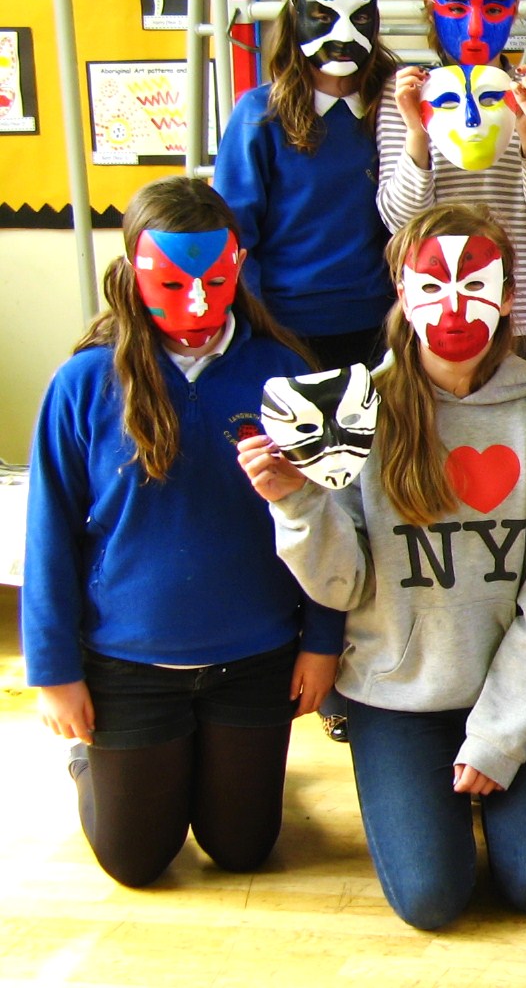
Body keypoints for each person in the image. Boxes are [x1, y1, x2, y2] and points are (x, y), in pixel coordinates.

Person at [240, 203, 526, 931]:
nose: (455, 305)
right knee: (432, 899)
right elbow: (342, 584)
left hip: (515, 688)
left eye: (476, 283)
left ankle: (494, 787)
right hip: (397, 692)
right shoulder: (358, 408)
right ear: (402, 289)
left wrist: (499, 736)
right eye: (433, 283)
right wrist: (294, 501)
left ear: (506, 292)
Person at [25, 176, 343, 888]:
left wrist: (322, 641)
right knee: (136, 860)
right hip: (128, 668)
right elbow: (48, 534)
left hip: (254, 658)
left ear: (237, 268)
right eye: (170, 284)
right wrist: (54, 670)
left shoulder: (283, 373)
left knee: (242, 848)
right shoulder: (82, 385)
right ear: (132, 276)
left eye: (215, 281)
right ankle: (91, 761)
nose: (197, 305)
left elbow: (330, 518)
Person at [376, 0, 526, 372]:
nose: (476, 28)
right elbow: (400, 221)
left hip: (524, 309)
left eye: (495, 9)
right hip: (438, 309)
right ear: (432, 7)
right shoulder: (405, 93)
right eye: (457, 8)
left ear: (514, 13)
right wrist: (416, 129)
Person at [213, 0, 399, 370]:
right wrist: (256, 326)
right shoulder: (259, 116)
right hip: (285, 328)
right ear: (295, 16)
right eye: (323, 15)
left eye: (360, 18)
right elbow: (235, 234)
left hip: (382, 324)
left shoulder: (395, 109)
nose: (344, 33)